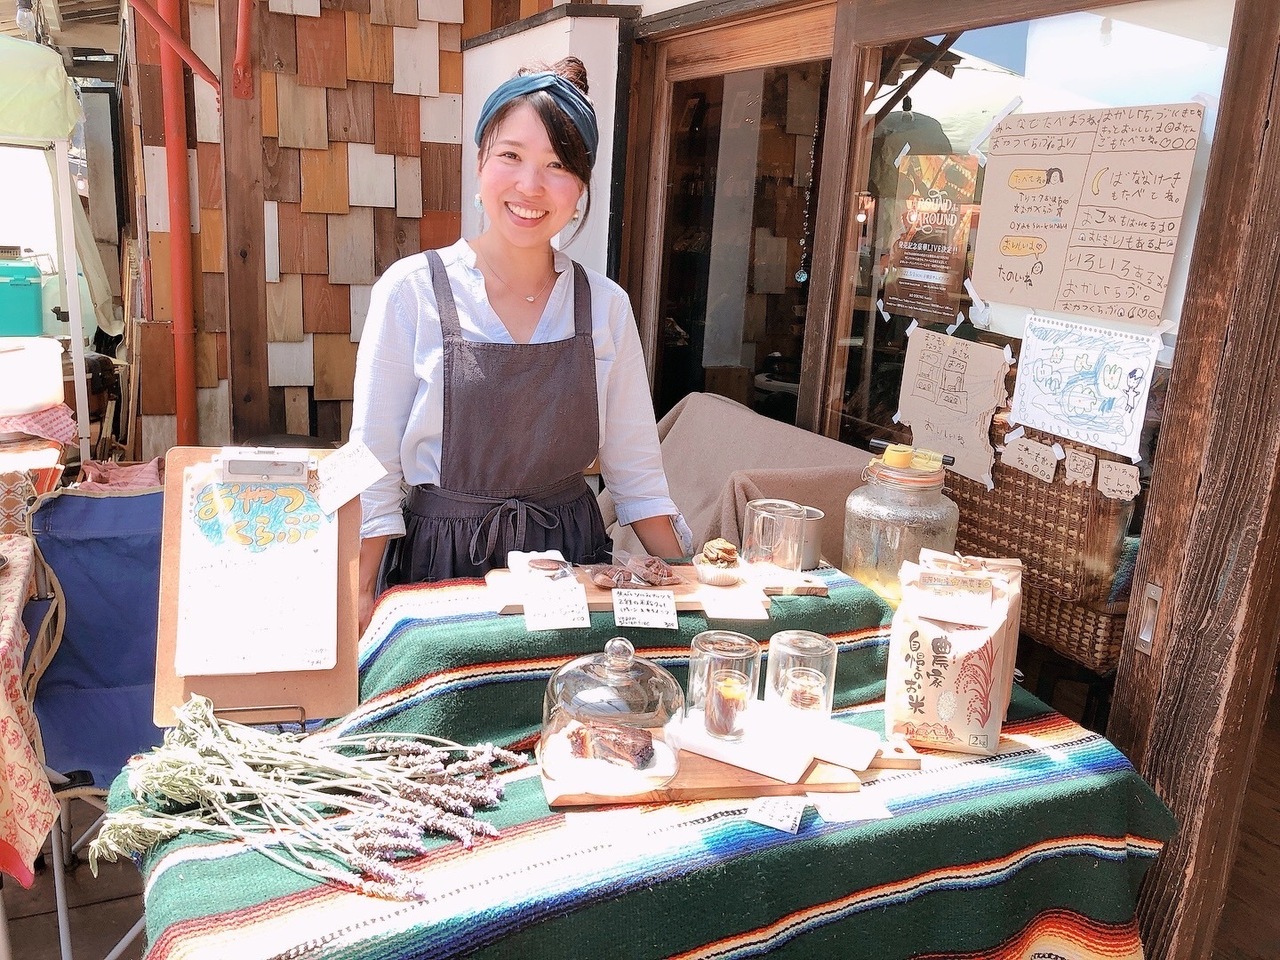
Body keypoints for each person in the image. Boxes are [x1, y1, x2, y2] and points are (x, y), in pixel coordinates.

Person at [350, 56, 689, 631]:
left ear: (580, 187)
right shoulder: (413, 291)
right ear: (481, 160)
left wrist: (691, 581)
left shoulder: (604, 305)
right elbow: (375, 467)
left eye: (557, 165)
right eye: (511, 155)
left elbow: (637, 477)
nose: (530, 186)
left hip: (571, 570)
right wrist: (357, 596)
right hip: (443, 569)